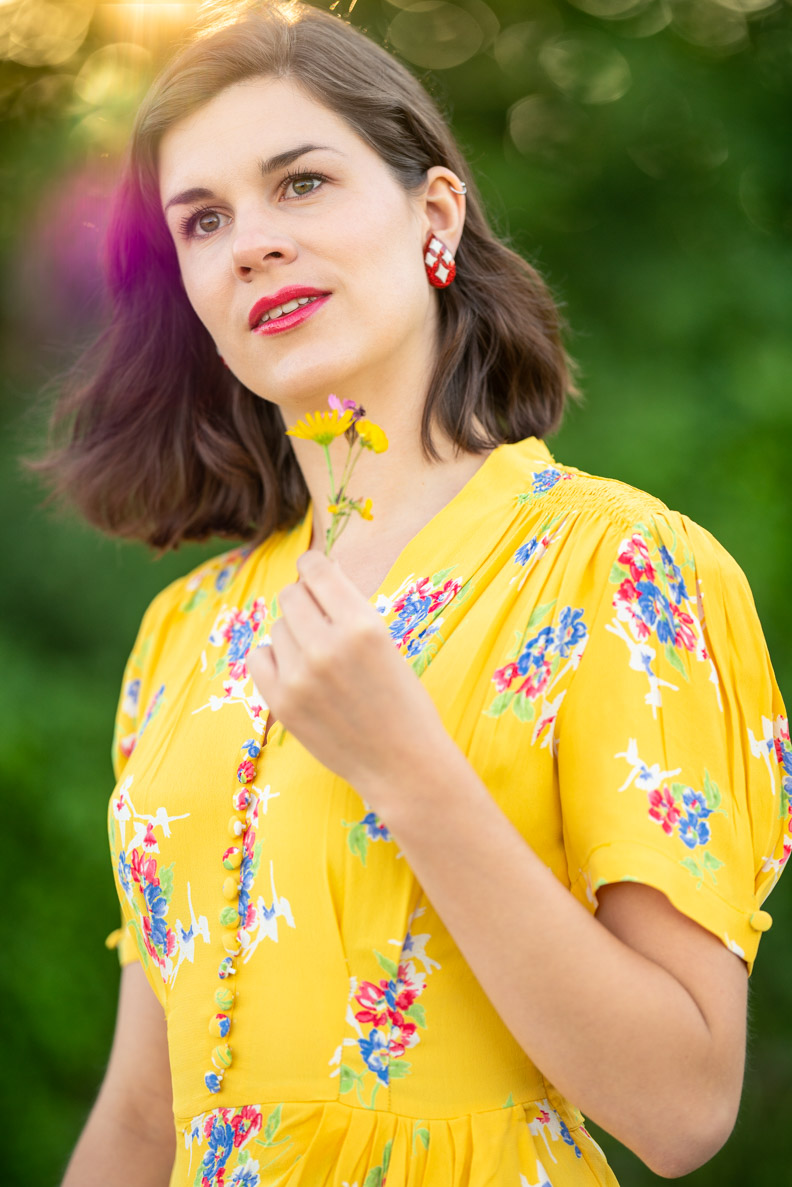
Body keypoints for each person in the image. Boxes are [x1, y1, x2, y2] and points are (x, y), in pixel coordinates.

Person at [42, 3, 789, 1185]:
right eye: (204, 219)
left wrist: (406, 765)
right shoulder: (183, 634)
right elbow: (149, 1111)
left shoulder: (623, 570)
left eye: (301, 184)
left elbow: (685, 1102)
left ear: (434, 213)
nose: (251, 243)